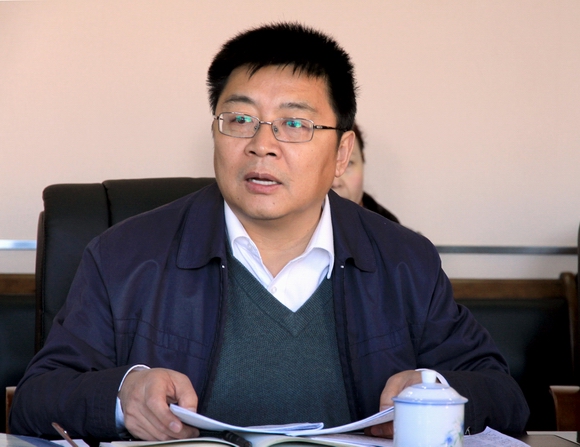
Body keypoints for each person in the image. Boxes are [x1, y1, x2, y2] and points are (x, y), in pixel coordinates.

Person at [10, 22, 529, 441]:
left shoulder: (404, 260)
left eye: (295, 124)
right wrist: (123, 396)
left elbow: (503, 396)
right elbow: (36, 399)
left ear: (342, 153)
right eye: (239, 119)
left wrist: (433, 389)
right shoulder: (124, 254)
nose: (262, 144)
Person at [331, 123, 400, 223]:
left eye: (348, 163)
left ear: (362, 160)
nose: (335, 182)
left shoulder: (389, 229)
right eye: (324, 164)